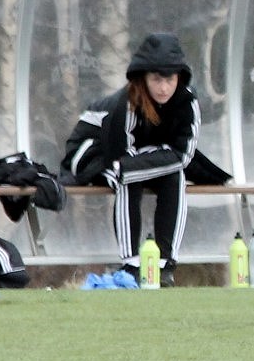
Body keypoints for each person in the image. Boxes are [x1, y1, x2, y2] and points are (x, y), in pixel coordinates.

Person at [60, 32, 199, 287]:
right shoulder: (125, 103)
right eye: (156, 79)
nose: (163, 88)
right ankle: (132, 264)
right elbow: (120, 159)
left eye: (169, 79)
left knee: (175, 177)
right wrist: (143, 161)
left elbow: (183, 156)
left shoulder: (188, 102)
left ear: (179, 78)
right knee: (128, 178)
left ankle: (165, 264)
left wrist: (147, 160)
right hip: (94, 153)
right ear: (143, 78)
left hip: (143, 158)